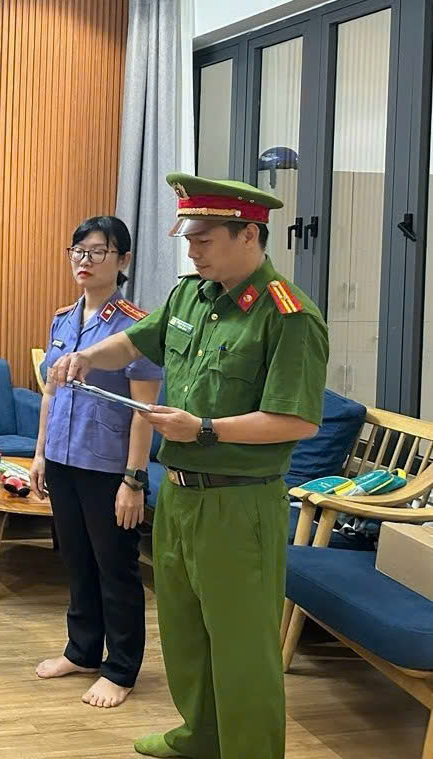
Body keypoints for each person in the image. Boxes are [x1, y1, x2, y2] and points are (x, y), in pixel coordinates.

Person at [48, 173, 328, 759]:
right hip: (178, 494)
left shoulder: (288, 315)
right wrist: (86, 356)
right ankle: (199, 736)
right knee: (185, 631)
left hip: (238, 501)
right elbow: (133, 344)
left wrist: (204, 428)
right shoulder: (189, 297)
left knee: (242, 645)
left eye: (203, 239)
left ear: (248, 235)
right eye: (189, 238)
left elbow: (297, 421)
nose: (192, 250)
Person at [29, 216, 162, 709]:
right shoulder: (63, 318)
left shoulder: (137, 327)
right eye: (78, 251)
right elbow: (50, 393)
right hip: (63, 459)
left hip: (108, 467)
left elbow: (145, 411)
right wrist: (40, 454)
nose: (85, 261)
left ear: (123, 260)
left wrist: (134, 479)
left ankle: (121, 669)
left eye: (98, 251)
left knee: (116, 568)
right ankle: (82, 651)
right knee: (77, 561)